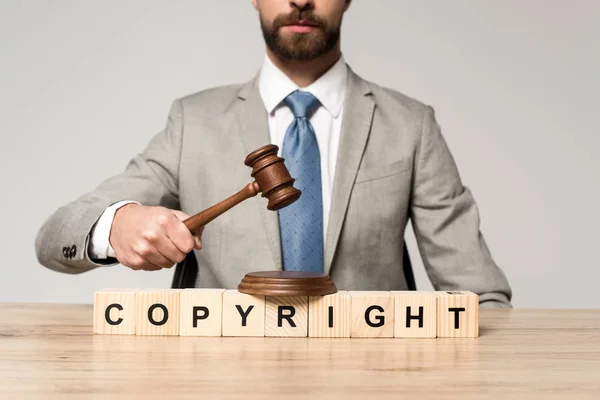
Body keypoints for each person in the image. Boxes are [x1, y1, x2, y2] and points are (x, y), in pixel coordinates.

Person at [34, 0, 512, 308]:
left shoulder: (410, 125)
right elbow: (55, 238)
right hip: (224, 379)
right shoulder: (192, 122)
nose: (300, 1)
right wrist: (115, 225)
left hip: (367, 380)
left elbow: (484, 297)